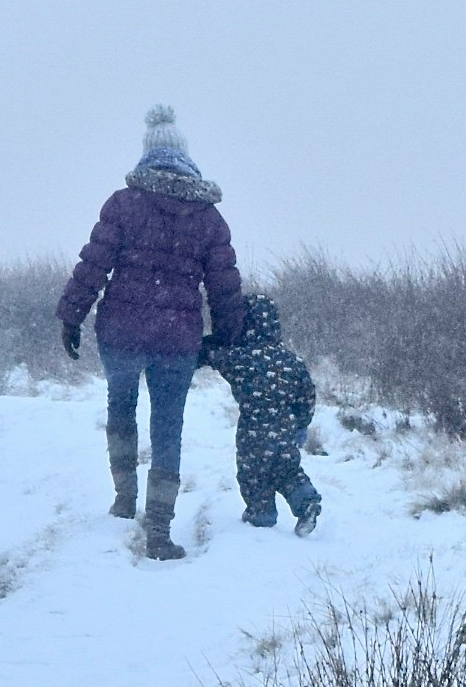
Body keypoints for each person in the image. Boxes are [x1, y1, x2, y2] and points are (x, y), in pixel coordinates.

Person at [57, 105, 242, 561]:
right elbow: (224, 286)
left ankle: (124, 498)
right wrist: (227, 337)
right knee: (168, 427)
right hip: (176, 340)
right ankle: (158, 529)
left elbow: (94, 263)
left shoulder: (124, 204)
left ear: (147, 155)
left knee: (121, 408)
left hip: (120, 330)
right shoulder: (208, 219)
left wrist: (72, 314)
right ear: (186, 157)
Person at [203, 293, 321, 533]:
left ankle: (261, 515)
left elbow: (211, 355)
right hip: (286, 428)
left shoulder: (240, 357)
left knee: (254, 475)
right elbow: (307, 394)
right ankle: (306, 501)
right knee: (288, 471)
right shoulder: (291, 360)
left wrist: (201, 348)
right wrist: (301, 424)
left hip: (254, 429)